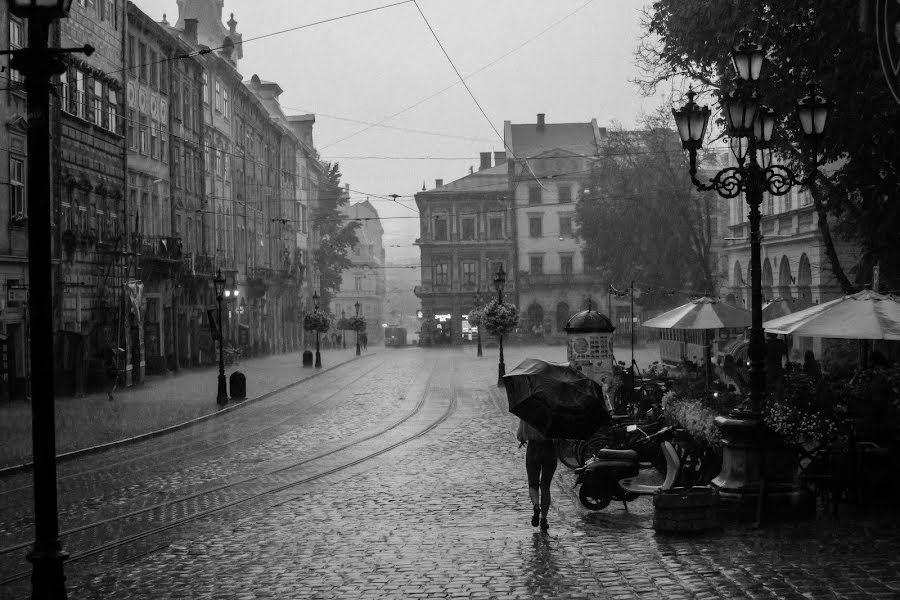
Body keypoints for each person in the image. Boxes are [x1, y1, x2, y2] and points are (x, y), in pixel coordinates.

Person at [517, 419, 557, 531]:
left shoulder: (528, 412)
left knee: (533, 484)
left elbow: (521, 435)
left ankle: (536, 506)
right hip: (549, 448)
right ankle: (543, 520)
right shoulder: (552, 412)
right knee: (545, 486)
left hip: (533, 448)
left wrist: (522, 440)